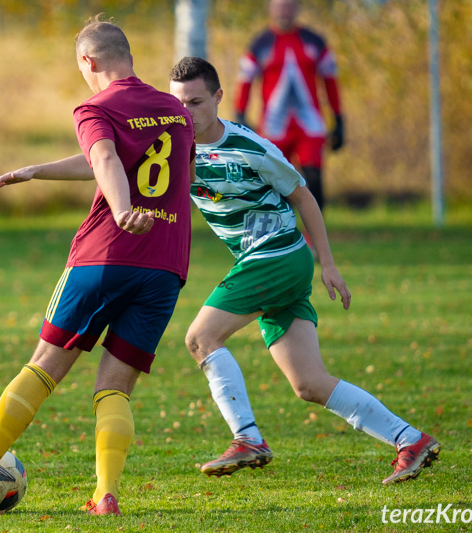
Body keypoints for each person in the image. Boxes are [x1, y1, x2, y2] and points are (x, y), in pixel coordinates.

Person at [0, 15, 196, 516]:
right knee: (114, 387)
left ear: (87, 61)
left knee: (45, 365)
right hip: (164, 264)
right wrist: (38, 171)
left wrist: (120, 211)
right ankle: (106, 495)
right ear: (130, 58)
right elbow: (114, 160)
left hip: (105, 255)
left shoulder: (95, 106)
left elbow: (105, 158)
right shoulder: (174, 111)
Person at [169, 56, 439, 485]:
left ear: (219, 97)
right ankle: (410, 439)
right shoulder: (174, 146)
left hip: (276, 256)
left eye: (196, 102)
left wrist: (327, 263)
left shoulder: (252, 149)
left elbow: (303, 197)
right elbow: (105, 160)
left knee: (201, 337)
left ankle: (247, 439)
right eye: (178, 103)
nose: (186, 113)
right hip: (267, 263)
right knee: (309, 383)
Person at [234, 0, 344, 214]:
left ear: (296, 9)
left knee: (313, 180)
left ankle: (314, 239)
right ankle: (279, 235)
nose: (284, 11)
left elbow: (331, 81)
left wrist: (340, 120)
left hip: (309, 125)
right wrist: (241, 116)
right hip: (274, 126)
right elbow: (244, 81)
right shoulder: (260, 44)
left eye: (288, 6)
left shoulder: (314, 41)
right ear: (271, 10)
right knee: (270, 183)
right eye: (279, 6)